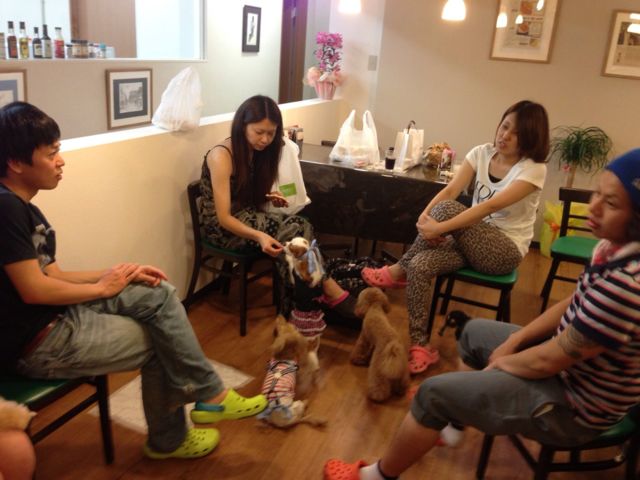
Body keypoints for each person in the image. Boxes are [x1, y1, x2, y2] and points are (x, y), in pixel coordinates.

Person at [323, 149, 640, 480]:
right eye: (597, 193)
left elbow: (549, 361)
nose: (594, 207)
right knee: (473, 332)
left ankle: (376, 476)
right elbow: (574, 301)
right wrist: (516, 339)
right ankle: (455, 423)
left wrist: (501, 364)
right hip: (569, 371)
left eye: (611, 203)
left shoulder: (626, 284)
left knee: (433, 394)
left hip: (576, 407)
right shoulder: (611, 248)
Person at [0, 101, 268, 460]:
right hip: (38, 343)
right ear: (16, 163)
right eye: (51, 154)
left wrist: (117, 273)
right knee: (163, 340)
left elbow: (53, 275)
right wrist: (101, 288)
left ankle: (207, 396)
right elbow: (34, 290)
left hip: (56, 315)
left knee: (156, 292)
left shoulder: (24, 207)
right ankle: (172, 436)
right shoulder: (6, 208)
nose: (61, 161)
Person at [362, 100, 550, 374]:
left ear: (531, 138)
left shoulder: (533, 168)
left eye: (517, 133)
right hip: (468, 240)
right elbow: (450, 190)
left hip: (503, 251)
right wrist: (423, 220)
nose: (505, 135)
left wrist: (439, 228)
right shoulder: (481, 153)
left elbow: (489, 207)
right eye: (505, 126)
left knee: (448, 210)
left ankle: (398, 269)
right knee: (420, 265)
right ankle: (420, 346)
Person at [200, 94, 354, 316]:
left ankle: (305, 300)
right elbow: (224, 217)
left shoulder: (254, 151)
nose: (265, 139)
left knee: (299, 229)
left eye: (271, 133)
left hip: (246, 216)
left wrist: (269, 196)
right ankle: (321, 293)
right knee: (295, 231)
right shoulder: (221, 156)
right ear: (242, 126)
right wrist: (260, 236)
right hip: (222, 229)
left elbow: (244, 194)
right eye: (259, 132)